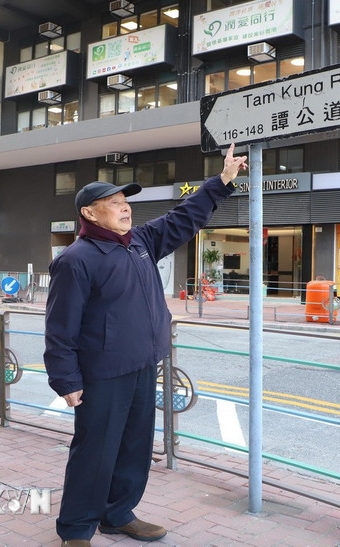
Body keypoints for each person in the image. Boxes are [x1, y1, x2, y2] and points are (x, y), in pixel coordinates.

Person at [44, 144, 247, 546]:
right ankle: (76, 529)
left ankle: (118, 515)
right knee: (95, 452)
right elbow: (60, 327)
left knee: (135, 447)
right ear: (89, 213)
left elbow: (182, 219)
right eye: (114, 203)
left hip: (142, 365)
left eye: (125, 202)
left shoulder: (139, 243)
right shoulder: (76, 259)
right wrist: (66, 380)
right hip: (102, 374)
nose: (124, 208)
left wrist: (221, 181)